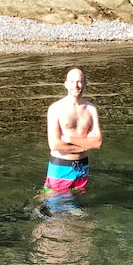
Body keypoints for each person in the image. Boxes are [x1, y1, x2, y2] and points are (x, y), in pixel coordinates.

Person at [44, 67, 102, 195]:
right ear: (65, 84)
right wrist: (85, 146)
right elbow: (55, 145)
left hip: (82, 168)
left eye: (80, 81)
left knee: (78, 205)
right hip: (60, 168)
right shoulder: (56, 109)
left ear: (85, 84)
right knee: (56, 206)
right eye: (72, 81)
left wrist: (69, 140)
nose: (76, 85)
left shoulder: (91, 109)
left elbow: (97, 143)